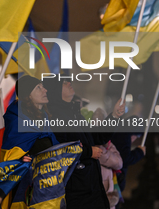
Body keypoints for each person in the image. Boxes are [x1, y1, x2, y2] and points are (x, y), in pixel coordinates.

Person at [43, 78, 125, 209]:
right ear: (55, 91)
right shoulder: (56, 117)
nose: (69, 83)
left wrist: (114, 116)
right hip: (77, 190)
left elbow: (97, 137)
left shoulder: (74, 114)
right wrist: (89, 152)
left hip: (89, 187)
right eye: (64, 83)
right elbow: (60, 151)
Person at [0, 75, 59, 208]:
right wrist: (20, 160)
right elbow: (10, 156)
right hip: (24, 191)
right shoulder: (16, 121)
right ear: (28, 96)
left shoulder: (44, 119)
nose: (45, 90)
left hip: (45, 189)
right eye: (38, 88)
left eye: (43, 87)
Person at [93, 108, 123, 209]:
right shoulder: (91, 144)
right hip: (96, 195)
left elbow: (119, 163)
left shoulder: (109, 145)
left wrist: (103, 151)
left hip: (108, 195)